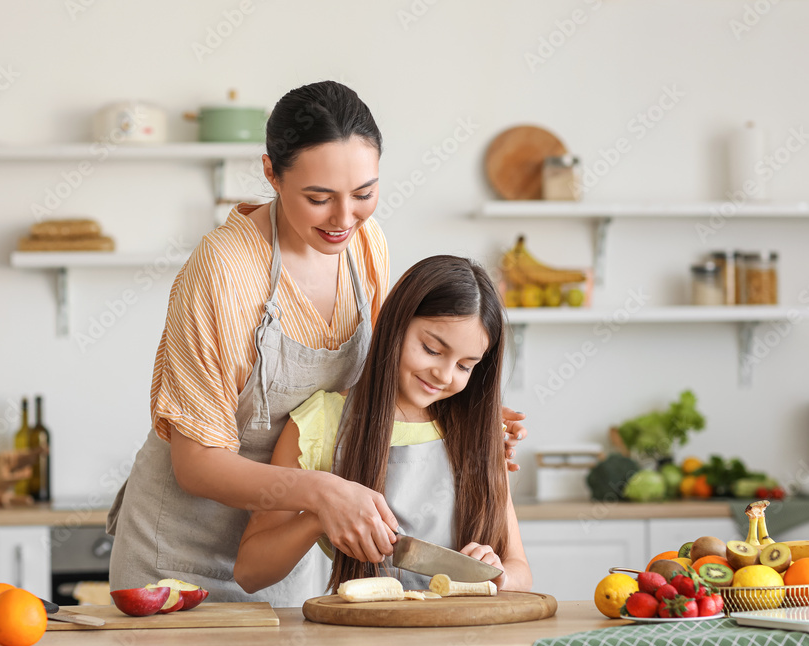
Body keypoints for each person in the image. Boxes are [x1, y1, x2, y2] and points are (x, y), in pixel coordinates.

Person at [107, 81, 526, 608]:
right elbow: (197, 464)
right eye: (319, 198)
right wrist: (324, 492)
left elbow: (379, 377)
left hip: (287, 544)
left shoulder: (364, 247)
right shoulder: (224, 271)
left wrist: (463, 412)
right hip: (180, 552)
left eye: (365, 194)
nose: (344, 219)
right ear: (270, 174)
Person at [234, 256, 533, 595]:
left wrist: (498, 575)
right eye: (432, 349)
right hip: (363, 639)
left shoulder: (479, 433)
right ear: (396, 324)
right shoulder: (320, 424)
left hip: (466, 636)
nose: (445, 375)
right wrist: (319, 514)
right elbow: (250, 571)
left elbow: (519, 569)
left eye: (465, 366)